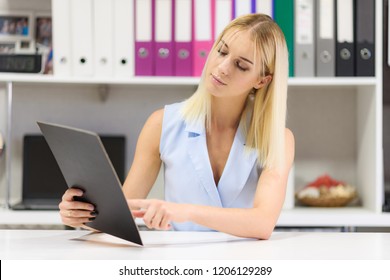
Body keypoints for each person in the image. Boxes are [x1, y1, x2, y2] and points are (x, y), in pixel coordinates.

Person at [59, 13, 294, 240]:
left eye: (241, 66)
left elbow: (262, 223)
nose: (222, 67)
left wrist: (185, 211)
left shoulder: (278, 139)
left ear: (262, 81)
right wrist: (80, 215)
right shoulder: (162, 124)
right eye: (221, 51)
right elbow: (119, 214)